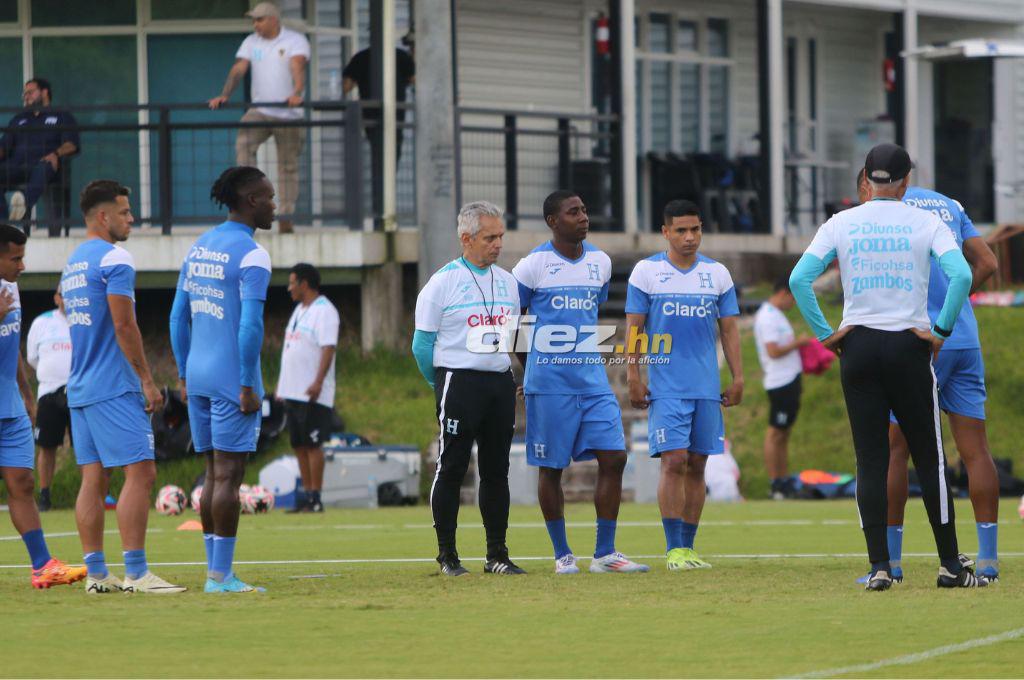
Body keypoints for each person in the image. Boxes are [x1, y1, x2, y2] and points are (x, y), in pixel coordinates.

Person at [789, 143, 981, 591]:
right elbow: (963, 275)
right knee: (930, 459)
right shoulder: (926, 221)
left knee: (870, 459)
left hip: (857, 346)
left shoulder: (841, 222)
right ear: (906, 180)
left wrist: (825, 334)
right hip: (908, 346)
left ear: (866, 179)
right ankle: (950, 565)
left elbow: (799, 279)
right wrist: (941, 331)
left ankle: (880, 567)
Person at [854, 169, 1001, 583]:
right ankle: (988, 560)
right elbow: (987, 262)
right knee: (976, 450)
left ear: (868, 184)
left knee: (895, 450)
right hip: (962, 337)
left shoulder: (889, 211)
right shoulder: (948, 204)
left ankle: (891, 563)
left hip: (918, 341)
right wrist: (955, 305)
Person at [512, 190, 648, 575]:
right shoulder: (531, 266)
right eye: (574, 212)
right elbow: (513, 324)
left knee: (615, 457)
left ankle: (605, 554)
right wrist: (532, 371)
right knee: (552, 468)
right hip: (549, 384)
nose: (584, 217)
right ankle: (563, 555)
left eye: (585, 210)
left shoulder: (600, 263)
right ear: (553, 221)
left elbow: (590, 315)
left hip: (592, 382)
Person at [62, 180, 182, 594]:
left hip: (80, 386)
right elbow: (124, 324)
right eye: (125, 212)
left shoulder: (74, 262)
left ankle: (97, 575)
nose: (132, 219)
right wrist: (147, 380)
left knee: (93, 479)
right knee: (142, 472)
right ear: (103, 216)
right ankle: (137, 573)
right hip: (113, 385)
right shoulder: (115, 258)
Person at [169, 166, 273, 593]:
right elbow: (250, 327)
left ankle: (215, 572)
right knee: (230, 475)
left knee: (213, 473)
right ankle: (221, 577)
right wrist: (247, 384)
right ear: (251, 201)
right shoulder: (253, 254)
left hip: (198, 374)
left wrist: (182, 373)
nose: (274, 205)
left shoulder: (199, 246)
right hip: (232, 378)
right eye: (269, 197)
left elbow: (178, 317)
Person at [625, 199, 743, 571]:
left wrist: (738, 377)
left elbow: (730, 330)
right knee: (674, 461)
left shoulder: (718, 274)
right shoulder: (646, 272)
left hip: (706, 387)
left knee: (697, 464)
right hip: (666, 387)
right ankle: (673, 549)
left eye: (695, 229)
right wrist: (633, 375)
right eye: (681, 230)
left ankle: (689, 548)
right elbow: (634, 329)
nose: (689, 237)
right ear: (665, 232)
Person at [412, 200, 524, 576]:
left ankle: (497, 555)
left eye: (500, 237)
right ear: (466, 238)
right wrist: (440, 383)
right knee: (452, 467)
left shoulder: (508, 282)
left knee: (496, 470)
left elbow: (513, 337)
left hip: (498, 383)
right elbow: (421, 345)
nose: (498, 244)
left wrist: (517, 377)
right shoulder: (442, 283)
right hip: (458, 382)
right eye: (489, 238)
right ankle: (448, 556)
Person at [0, 224, 85, 589]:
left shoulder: (11, 289)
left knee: (22, 482)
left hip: (10, 406)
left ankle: (43, 565)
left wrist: (26, 393)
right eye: (15, 258)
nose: (22, 265)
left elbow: (12, 346)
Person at [208, 2, 310, 234]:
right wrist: (225, 95)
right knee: (244, 145)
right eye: (254, 20)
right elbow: (239, 69)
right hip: (260, 110)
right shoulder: (251, 42)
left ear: (273, 20)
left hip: (288, 114)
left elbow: (298, 66)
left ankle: (285, 216)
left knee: (287, 166)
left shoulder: (294, 40)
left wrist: (297, 93)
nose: (256, 25)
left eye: (260, 20)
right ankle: (248, 199)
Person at [277, 262, 340, 513]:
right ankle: (306, 494)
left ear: (304, 284)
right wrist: (282, 387)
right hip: (292, 391)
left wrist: (318, 382)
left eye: (292, 282)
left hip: (313, 393)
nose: (289, 287)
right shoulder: (299, 310)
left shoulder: (325, 311)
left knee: (313, 444)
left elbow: (328, 348)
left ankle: (316, 497)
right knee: (298, 444)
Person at [752, 277, 810, 499]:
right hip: (780, 381)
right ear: (784, 293)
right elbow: (773, 351)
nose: (794, 303)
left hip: (789, 379)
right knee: (776, 432)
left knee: (784, 432)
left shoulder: (776, 315)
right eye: (793, 298)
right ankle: (775, 482)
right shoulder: (767, 317)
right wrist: (799, 343)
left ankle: (784, 480)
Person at [342, 32, 416, 207]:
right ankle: (383, 203)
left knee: (379, 159)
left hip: (371, 118)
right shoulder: (400, 56)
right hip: (395, 118)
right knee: (390, 159)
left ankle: (381, 202)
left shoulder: (361, 58)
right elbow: (415, 80)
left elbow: (346, 87)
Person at [0, 78, 79, 222]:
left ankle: (24, 204)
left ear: (44, 92)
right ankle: (4, 223)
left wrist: (56, 154)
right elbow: (3, 146)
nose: (26, 96)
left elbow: (71, 144)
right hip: (16, 166)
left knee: (45, 165)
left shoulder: (61, 115)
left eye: (30, 92)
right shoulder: (19, 119)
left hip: (44, 166)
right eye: (24, 94)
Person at [26, 286, 72, 512]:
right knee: (46, 445)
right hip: (49, 392)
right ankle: (44, 495)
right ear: (56, 298)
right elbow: (32, 358)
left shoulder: (83, 320)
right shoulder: (41, 322)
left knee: (86, 446)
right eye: (63, 295)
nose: (66, 299)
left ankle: (95, 492)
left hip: (78, 391)